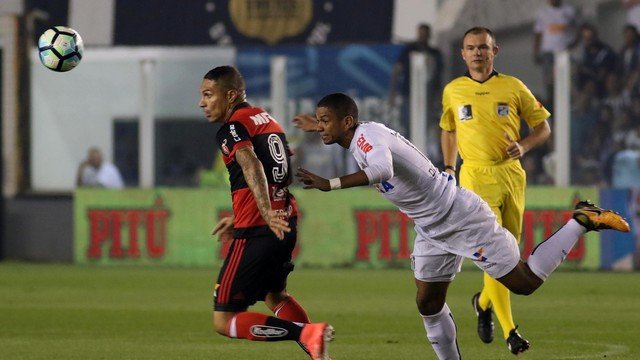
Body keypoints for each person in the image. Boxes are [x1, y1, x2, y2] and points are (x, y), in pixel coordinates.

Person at [294, 92, 629, 360]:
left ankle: (581, 220)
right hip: (430, 227)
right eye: (319, 122)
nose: (321, 127)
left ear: (347, 121)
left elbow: (381, 169)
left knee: (524, 283)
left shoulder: (366, 137)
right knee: (428, 303)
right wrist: (318, 125)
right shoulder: (359, 136)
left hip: (460, 216)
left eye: (326, 122)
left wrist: (331, 184)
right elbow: (362, 148)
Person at [198, 65, 333, 360]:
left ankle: (306, 333)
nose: (202, 103)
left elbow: (250, 163)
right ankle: (316, 349)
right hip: (285, 221)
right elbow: (276, 172)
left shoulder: (232, 127)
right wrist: (252, 211)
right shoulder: (265, 119)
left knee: (224, 319)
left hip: (260, 228)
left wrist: (261, 210)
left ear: (230, 95)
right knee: (274, 295)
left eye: (208, 95)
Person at [440, 26, 552, 354]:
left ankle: (484, 302)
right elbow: (448, 129)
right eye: (471, 48)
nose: (477, 52)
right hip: (474, 176)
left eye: (483, 47)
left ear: (495, 51)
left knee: (511, 256)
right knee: (496, 255)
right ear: (463, 54)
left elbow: (543, 126)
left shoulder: (513, 87)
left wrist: (525, 145)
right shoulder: (453, 90)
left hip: (511, 176)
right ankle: (511, 332)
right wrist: (449, 166)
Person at [389, 23, 444, 133]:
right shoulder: (409, 51)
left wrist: (439, 96)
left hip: (429, 96)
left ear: (429, 35)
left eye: (425, 34)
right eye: (420, 34)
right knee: (407, 123)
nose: (422, 36)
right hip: (409, 94)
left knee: (427, 125)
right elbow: (396, 71)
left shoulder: (435, 53)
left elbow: (439, 76)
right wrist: (393, 93)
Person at [533, 0, 579, 103]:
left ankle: (570, 103)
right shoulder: (542, 13)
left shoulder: (569, 11)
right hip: (548, 52)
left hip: (564, 52)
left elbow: (578, 29)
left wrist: (573, 43)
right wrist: (536, 52)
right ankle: (551, 104)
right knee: (549, 82)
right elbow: (538, 33)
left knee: (568, 80)